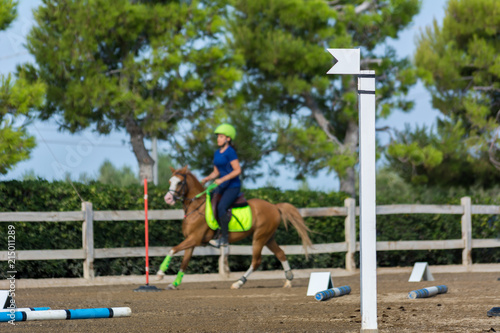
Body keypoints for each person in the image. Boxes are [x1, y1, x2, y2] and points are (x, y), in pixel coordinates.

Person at [201, 123, 242, 248]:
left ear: (228, 139)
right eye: (218, 137)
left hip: (232, 186)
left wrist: (222, 179)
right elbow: (216, 172)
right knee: (208, 203)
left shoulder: (230, 152)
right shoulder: (217, 153)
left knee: (221, 207)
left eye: (221, 136)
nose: (218, 139)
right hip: (222, 186)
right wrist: (207, 178)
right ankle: (212, 232)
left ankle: (224, 239)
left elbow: (237, 170)